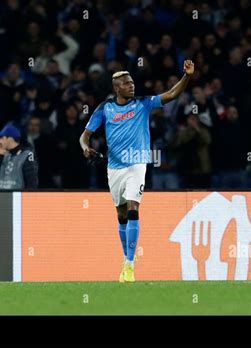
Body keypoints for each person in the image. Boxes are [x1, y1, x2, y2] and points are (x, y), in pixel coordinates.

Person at [79, 60, 195, 282]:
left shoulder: (143, 103)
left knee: (133, 209)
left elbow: (170, 94)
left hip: (137, 164)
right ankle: (126, 259)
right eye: (126, 83)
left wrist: (187, 76)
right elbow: (84, 136)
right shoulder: (105, 108)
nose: (131, 86)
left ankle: (130, 265)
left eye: (132, 82)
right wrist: (86, 149)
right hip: (114, 168)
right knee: (121, 215)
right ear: (117, 88)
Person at [0, 124, 38, 189]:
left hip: (18, 197)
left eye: (1, 137)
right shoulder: (2, 154)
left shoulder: (27, 155)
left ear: (10, 139)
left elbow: (32, 182)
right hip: (2, 196)